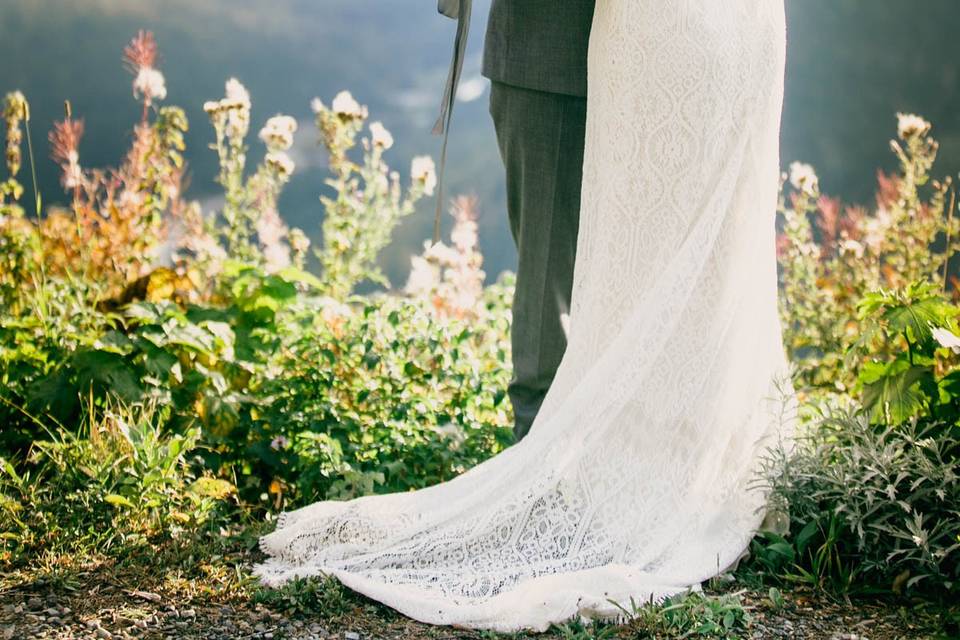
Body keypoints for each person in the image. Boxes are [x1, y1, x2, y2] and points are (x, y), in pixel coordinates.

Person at [256, 1, 794, 632]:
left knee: (664, 283)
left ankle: (648, 467)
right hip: (555, 61)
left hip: (679, 52)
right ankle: (546, 476)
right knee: (551, 280)